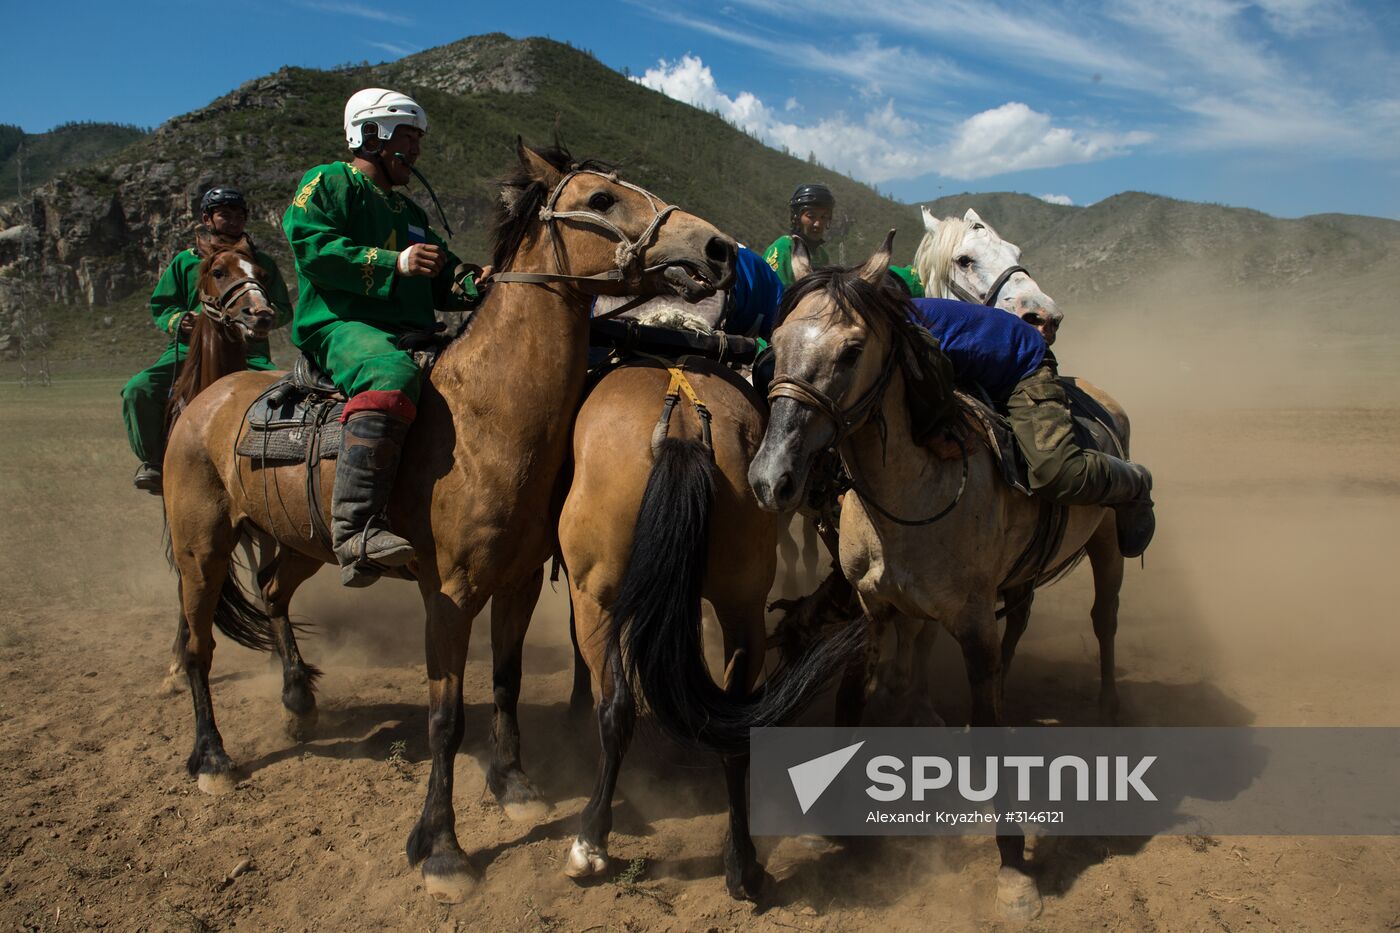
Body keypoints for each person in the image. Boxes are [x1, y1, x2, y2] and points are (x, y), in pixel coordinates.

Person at [281, 88, 487, 587]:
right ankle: (355, 530)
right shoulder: (328, 182)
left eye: (418, 140)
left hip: (413, 330)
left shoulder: (409, 213)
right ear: (369, 135)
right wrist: (392, 262)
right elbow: (312, 246)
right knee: (390, 371)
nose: (415, 150)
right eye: (406, 138)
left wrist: (479, 281)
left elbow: (443, 275)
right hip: (342, 326)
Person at [908, 297, 1155, 557]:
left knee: (1056, 473)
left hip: (1022, 363)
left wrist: (934, 431)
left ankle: (1135, 483)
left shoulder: (888, 324)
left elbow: (931, 361)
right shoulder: (876, 318)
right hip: (972, 369)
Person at [121, 187, 292, 494]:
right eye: (225, 214)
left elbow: (282, 306)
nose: (234, 220)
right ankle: (156, 462)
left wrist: (266, 319)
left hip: (249, 352)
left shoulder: (260, 262)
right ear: (207, 218)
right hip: (188, 350)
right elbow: (162, 305)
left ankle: (280, 469)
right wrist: (177, 320)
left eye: (239, 214)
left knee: (282, 397)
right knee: (139, 390)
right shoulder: (185, 263)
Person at [764, 184, 834, 286]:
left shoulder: (822, 255)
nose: (817, 224)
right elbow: (773, 294)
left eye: (823, 217)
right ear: (796, 217)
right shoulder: (784, 248)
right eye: (811, 216)